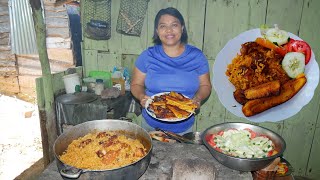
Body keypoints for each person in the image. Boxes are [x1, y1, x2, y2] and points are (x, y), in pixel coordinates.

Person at [130, 7, 212, 134]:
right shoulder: (147, 56)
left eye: (174, 25)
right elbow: (136, 84)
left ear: (182, 28)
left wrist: (198, 98)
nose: (169, 30)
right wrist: (141, 96)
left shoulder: (197, 56)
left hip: (184, 128)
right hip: (151, 126)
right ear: (157, 31)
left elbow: (205, 85)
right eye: (163, 26)